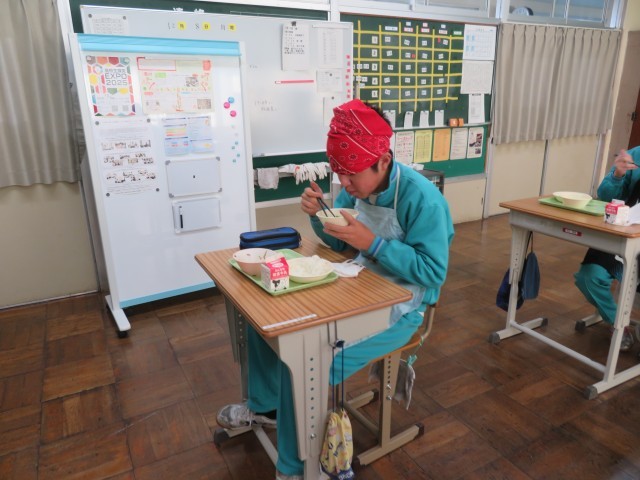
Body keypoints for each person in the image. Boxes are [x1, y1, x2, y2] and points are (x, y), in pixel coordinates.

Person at [216, 99, 454, 480]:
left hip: (403, 308)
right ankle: (266, 408)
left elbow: (433, 271)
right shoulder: (355, 188)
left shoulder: (422, 199)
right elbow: (339, 243)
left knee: (306, 361)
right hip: (358, 285)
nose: (344, 184)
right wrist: (318, 217)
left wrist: (373, 244)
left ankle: (295, 468)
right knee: (269, 324)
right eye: (339, 173)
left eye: (351, 175)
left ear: (382, 161)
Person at [574, 146, 640, 352]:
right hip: (623, 231)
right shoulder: (636, 155)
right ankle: (617, 323)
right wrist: (618, 174)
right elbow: (605, 197)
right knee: (589, 278)